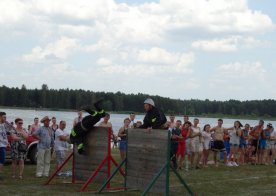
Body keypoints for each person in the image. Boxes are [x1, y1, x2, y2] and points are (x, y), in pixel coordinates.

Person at [0, 112, 12, 181]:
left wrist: (7, 142)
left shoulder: (4, 125)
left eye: (5, 117)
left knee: (2, 160)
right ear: (0, 117)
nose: (5, 118)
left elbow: (5, 134)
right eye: (4, 117)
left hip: (3, 145)